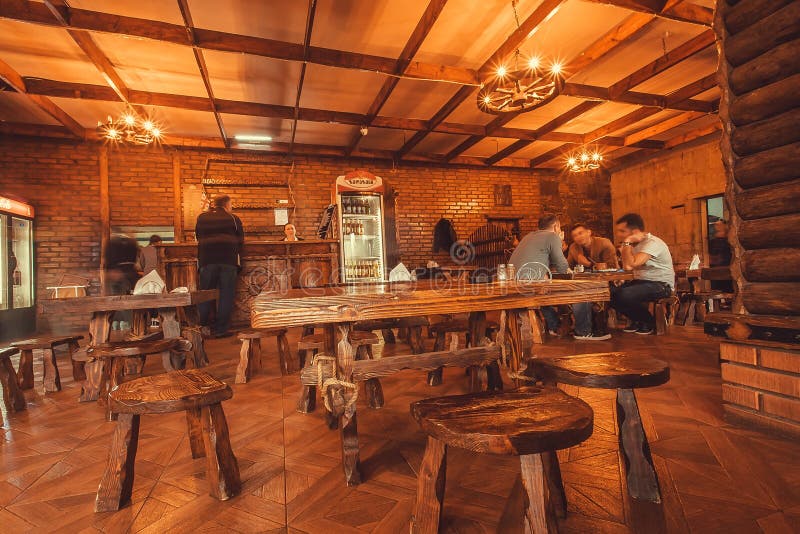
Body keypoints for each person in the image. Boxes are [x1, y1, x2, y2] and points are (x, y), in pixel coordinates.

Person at [509, 214, 610, 341]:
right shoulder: (552, 236)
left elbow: (545, 260)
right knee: (581, 290)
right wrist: (559, 241)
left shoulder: (528, 236)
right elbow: (562, 267)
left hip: (514, 283)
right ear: (556, 226)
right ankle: (583, 332)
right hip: (531, 286)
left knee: (546, 288)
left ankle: (554, 326)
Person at [611, 213, 675, 335]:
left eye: (622, 231)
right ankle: (639, 320)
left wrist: (627, 242)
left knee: (624, 294)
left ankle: (649, 321)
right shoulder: (632, 245)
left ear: (634, 231)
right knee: (609, 294)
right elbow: (626, 267)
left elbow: (632, 264)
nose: (619, 234)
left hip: (661, 285)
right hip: (641, 282)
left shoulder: (652, 242)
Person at [195, 195, 244, 338]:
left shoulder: (202, 217)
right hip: (228, 261)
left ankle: (201, 328)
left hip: (207, 260)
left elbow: (198, 236)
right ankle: (221, 330)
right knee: (226, 295)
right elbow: (241, 240)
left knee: (204, 295)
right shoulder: (234, 219)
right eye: (231, 204)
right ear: (227, 205)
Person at [104, 233, 141, 329]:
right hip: (130, 274)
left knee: (115, 300)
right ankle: (128, 324)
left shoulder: (113, 243)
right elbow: (135, 259)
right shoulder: (131, 243)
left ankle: (116, 323)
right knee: (128, 300)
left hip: (116, 274)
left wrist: (109, 271)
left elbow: (107, 259)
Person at [708, 219, 734, 293]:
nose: (717, 226)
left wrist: (716, 259)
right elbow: (711, 258)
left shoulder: (729, 241)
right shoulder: (712, 242)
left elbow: (724, 258)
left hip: (727, 273)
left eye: (719, 225)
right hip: (715, 275)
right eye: (716, 225)